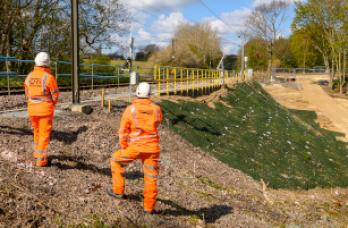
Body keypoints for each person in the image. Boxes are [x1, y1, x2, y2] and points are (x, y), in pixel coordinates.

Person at [109, 82, 163, 214]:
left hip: (135, 147)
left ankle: (118, 191)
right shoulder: (157, 109)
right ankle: (149, 208)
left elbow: (123, 131)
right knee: (150, 178)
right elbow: (157, 123)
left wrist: (124, 146)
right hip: (152, 149)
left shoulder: (130, 109)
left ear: (137, 92)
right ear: (150, 94)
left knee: (116, 161)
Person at [24, 52, 59, 167]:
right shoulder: (49, 78)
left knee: (37, 132)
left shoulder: (29, 76)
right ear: (48, 63)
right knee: (44, 134)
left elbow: (27, 93)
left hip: (32, 110)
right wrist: (52, 104)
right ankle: (41, 160)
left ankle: (36, 153)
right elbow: (55, 95)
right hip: (45, 111)